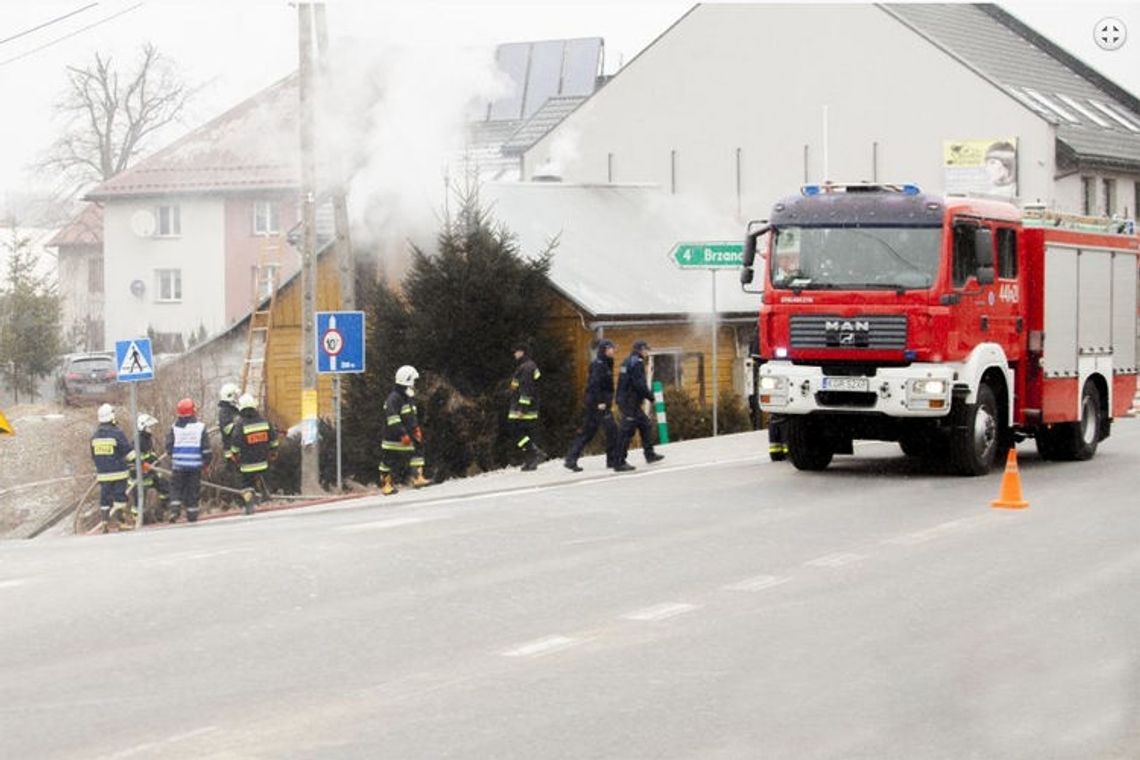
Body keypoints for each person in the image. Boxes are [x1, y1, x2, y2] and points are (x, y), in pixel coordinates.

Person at [564, 339, 622, 472]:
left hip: (597, 403)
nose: (614, 350)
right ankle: (613, 461)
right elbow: (594, 385)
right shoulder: (599, 365)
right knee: (612, 430)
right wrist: (600, 402)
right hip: (598, 404)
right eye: (611, 348)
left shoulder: (607, 362)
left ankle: (571, 459)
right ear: (605, 350)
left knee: (588, 432)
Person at [379, 365, 429, 495]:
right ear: (407, 381)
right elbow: (393, 419)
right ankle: (386, 484)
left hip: (408, 435)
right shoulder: (394, 398)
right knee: (388, 461)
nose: (415, 385)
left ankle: (417, 477)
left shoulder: (408, 398)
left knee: (418, 452)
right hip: (393, 438)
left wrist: (416, 429)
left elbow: (411, 416)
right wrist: (402, 434)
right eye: (414, 381)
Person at [615, 340, 664, 468]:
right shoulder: (637, 363)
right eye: (646, 350)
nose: (647, 352)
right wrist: (650, 396)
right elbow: (639, 384)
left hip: (628, 401)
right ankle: (619, 461)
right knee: (627, 431)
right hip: (629, 402)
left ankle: (650, 454)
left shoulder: (627, 361)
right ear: (641, 350)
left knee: (645, 425)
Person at [227, 393, 278, 513]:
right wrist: (273, 451)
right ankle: (266, 496)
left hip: (247, 464)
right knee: (264, 479)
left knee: (247, 485)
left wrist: (234, 455)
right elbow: (273, 439)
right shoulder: (264, 422)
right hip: (263, 462)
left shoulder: (240, 425)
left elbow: (235, 442)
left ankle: (249, 504)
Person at [166, 398, 211, 523]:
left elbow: (169, 447)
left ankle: (174, 510)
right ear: (193, 411)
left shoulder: (174, 428)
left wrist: (175, 457)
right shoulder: (200, 427)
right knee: (192, 491)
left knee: (176, 489)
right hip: (194, 466)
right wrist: (206, 463)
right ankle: (192, 515)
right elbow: (206, 449)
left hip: (178, 466)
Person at [90, 403, 133, 532]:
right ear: (112, 416)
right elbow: (128, 452)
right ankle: (121, 522)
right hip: (119, 472)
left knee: (105, 498)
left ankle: (105, 522)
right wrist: (137, 462)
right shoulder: (117, 433)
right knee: (120, 497)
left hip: (103, 474)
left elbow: (93, 456)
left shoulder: (95, 436)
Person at [508, 341, 547, 471]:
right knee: (526, 434)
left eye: (516, 351)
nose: (514, 354)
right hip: (528, 406)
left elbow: (526, 389)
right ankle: (531, 460)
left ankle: (534, 452)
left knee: (516, 432)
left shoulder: (525, 368)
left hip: (523, 408)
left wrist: (522, 408)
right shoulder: (528, 366)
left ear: (522, 352)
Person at [126, 413, 170, 522]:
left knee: (167, 489)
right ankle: (137, 521)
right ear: (143, 427)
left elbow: (151, 454)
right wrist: (143, 466)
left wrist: (155, 462)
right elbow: (132, 458)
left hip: (150, 474)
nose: (151, 429)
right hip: (138, 477)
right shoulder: (138, 441)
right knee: (139, 503)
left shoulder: (147, 439)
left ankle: (161, 511)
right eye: (149, 427)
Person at [217, 382, 241, 451]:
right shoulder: (225, 411)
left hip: (236, 448)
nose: (237, 398)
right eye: (235, 395)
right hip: (230, 449)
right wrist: (241, 425)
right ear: (230, 396)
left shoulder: (233, 409)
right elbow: (227, 430)